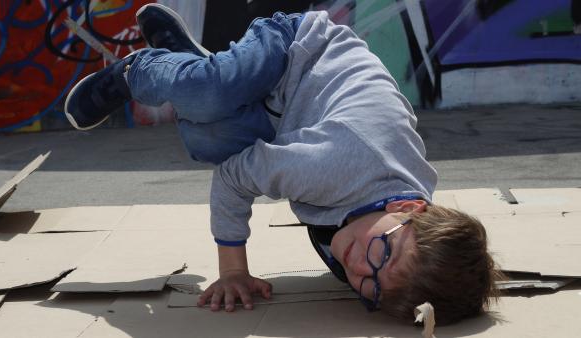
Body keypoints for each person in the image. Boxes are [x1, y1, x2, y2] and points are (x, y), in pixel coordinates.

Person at [65, 3, 501, 325]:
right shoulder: (332, 167)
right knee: (210, 94)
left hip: (291, 118)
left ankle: (192, 66)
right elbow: (234, 177)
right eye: (381, 254)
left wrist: (388, 275)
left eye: (370, 290)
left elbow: (411, 267)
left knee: (206, 139)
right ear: (408, 209)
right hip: (298, 50)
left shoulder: (399, 234)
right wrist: (234, 271)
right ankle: (138, 70)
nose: (359, 271)